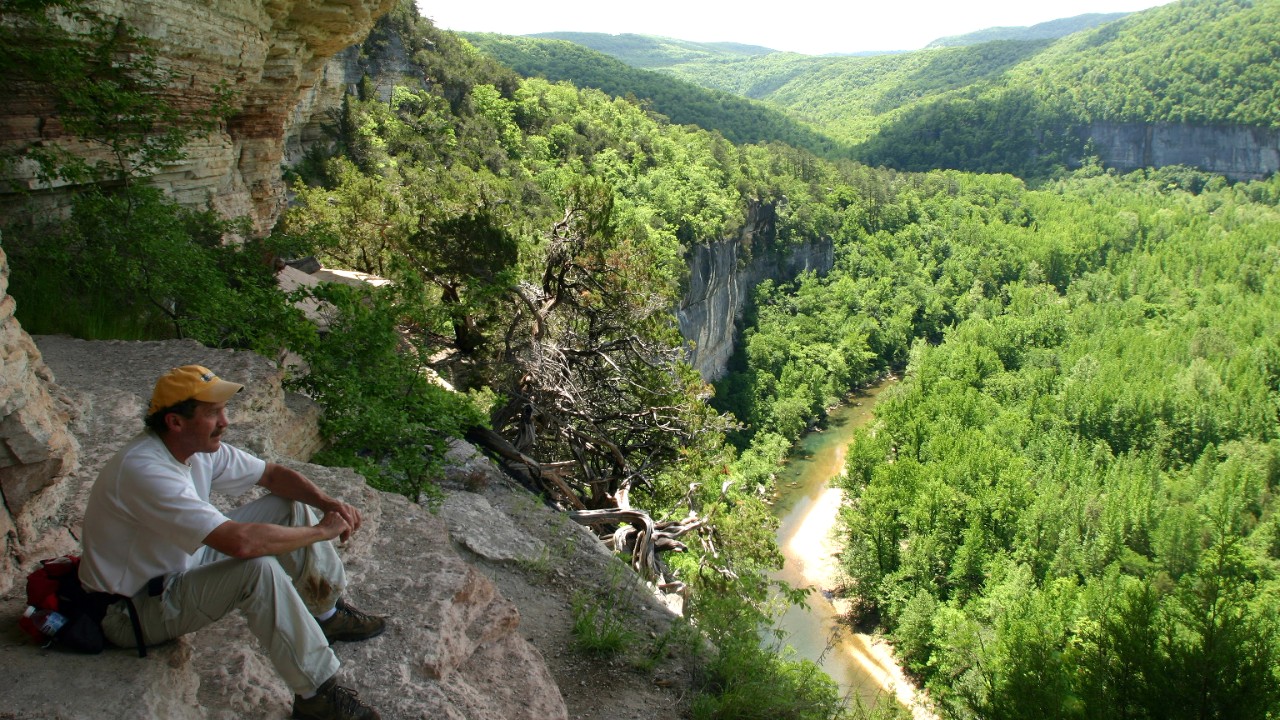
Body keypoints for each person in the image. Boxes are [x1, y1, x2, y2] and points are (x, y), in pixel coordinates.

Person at [79, 365, 386, 720]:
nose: (225, 421)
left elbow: (272, 475)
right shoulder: (145, 470)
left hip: (178, 566)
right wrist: (322, 531)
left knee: (287, 505)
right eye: (213, 413)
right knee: (256, 568)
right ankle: (317, 695)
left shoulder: (194, 449)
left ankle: (326, 613)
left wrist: (327, 504)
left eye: (223, 410)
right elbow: (241, 544)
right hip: (131, 610)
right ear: (175, 422)